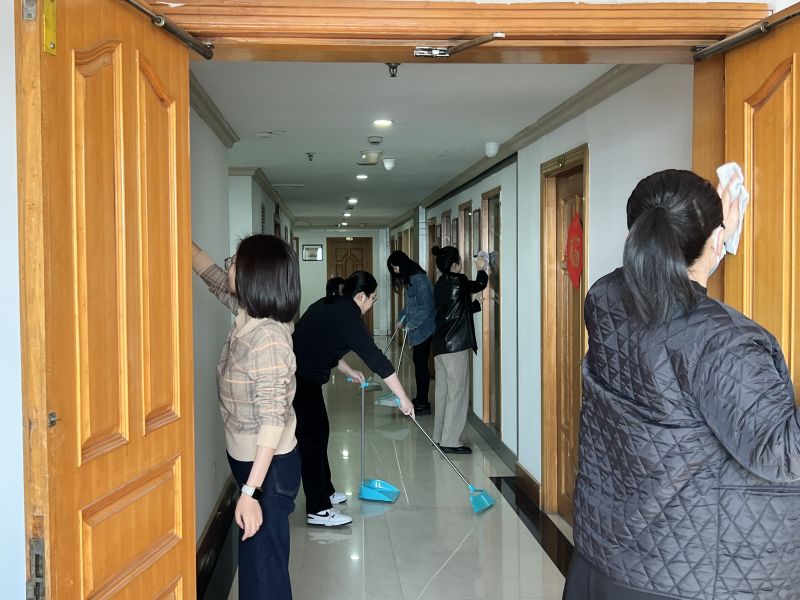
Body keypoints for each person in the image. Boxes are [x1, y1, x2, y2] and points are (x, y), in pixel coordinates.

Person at [564, 170, 800, 600]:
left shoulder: (603, 299)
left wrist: (708, 245)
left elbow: (670, 322)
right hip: (685, 577)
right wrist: (710, 245)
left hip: (604, 559)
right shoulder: (724, 343)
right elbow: (784, 452)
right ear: (717, 239)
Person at [192, 235, 301, 600]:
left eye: (235, 262)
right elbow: (213, 278)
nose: (229, 267)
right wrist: (174, 233)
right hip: (251, 465)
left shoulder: (268, 338)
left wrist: (251, 492)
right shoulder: (248, 314)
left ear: (254, 275)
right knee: (257, 568)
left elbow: (273, 420)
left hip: (268, 472)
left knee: (264, 575)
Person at [292, 271, 415, 527]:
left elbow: (325, 343)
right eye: (373, 298)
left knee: (319, 433)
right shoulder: (348, 315)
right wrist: (403, 397)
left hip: (303, 376)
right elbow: (377, 359)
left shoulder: (334, 305)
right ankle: (318, 509)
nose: (372, 303)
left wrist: (348, 370)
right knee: (311, 441)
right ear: (361, 296)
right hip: (298, 377)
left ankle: (325, 492)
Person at [430, 246, 488, 454]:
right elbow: (480, 284)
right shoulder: (459, 280)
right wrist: (481, 268)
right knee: (457, 393)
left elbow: (454, 310)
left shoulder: (439, 283)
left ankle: (439, 436)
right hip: (455, 346)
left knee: (442, 392)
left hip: (440, 345)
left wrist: (476, 305)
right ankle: (451, 441)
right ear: (456, 264)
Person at [387, 250, 436, 415]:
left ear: (402, 265)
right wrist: (401, 319)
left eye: (395, 267)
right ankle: (420, 398)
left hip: (424, 330)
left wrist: (411, 324)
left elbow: (427, 307)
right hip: (416, 330)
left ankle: (423, 403)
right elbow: (410, 306)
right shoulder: (411, 280)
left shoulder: (420, 280)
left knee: (421, 366)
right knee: (418, 364)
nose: (395, 271)